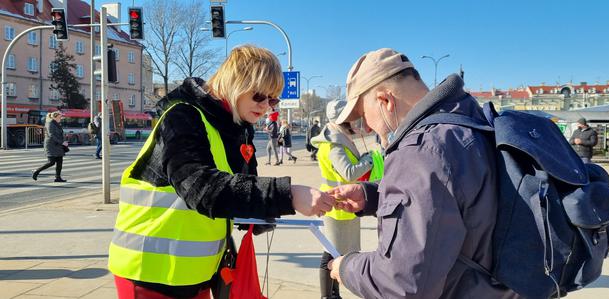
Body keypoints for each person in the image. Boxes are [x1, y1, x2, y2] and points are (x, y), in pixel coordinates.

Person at [107, 45, 335, 299]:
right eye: (259, 95)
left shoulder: (236, 126)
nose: (266, 107)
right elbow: (202, 188)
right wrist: (287, 195)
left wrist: (258, 211)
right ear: (234, 82)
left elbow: (238, 188)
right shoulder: (182, 117)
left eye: (273, 100)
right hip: (149, 273)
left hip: (197, 273)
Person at [326, 48, 517, 298]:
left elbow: (402, 284)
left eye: (363, 115)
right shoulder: (468, 123)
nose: (366, 126)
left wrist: (347, 267)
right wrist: (373, 194)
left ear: (385, 101)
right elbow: (456, 195)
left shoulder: (420, 151)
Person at [311, 100, 375, 299]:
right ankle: (326, 295)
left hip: (339, 202)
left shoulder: (337, 138)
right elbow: (349, 173)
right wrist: (369, 160)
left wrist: (363, 158)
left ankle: (333, 293)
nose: (353, 122)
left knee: (337, 253)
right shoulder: (334, 144)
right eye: (349, 117)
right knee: (329, 253)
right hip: (335, 204)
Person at [32, 111, 68, 182]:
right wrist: (62, 142)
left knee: (60, 161)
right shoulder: (49, 123)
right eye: (60, 117)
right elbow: (51, 135)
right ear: (55, 116)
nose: (61, 118)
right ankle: (36, 171)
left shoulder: (57, 124)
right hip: (51, 145)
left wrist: (63, 141)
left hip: (57, 145)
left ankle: (58, 177)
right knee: (51, 162)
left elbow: (59, 134)